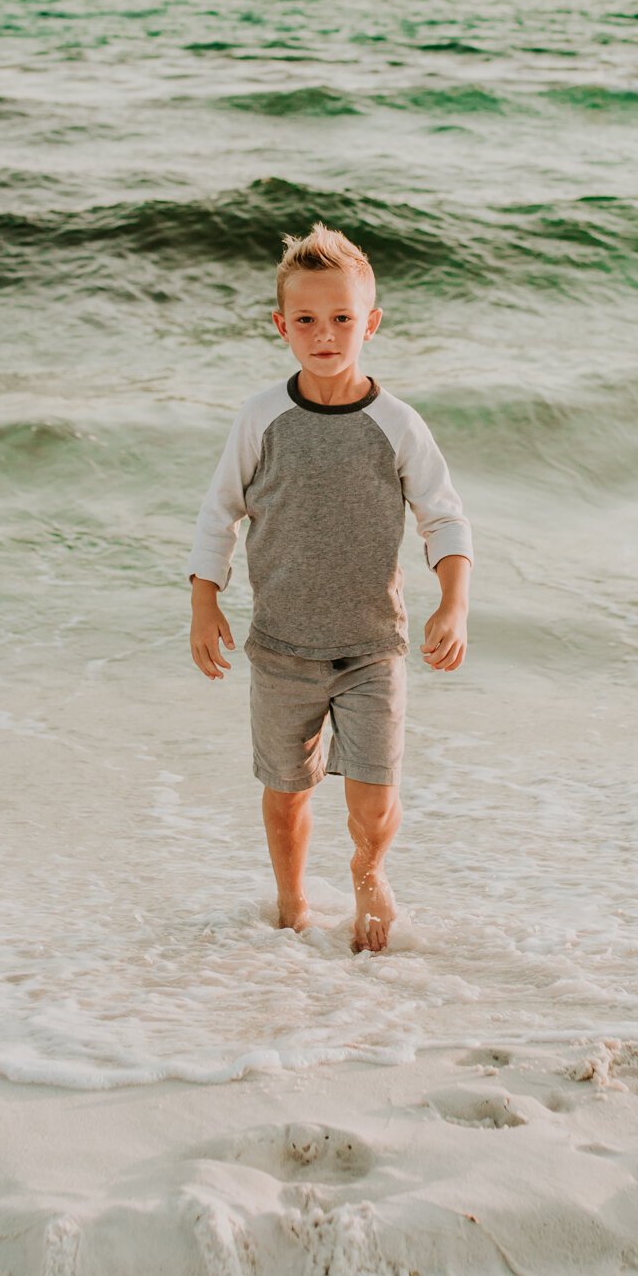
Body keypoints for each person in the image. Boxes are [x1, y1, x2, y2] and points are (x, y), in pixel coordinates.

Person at [186, 222, 472, 952]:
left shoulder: (397, 424)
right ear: (281, 327)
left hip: (373, 646)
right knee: (286, 795)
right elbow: (218, 514)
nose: (325, 334)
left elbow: (443, 518)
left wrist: (453, 603)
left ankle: (369, 870)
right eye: (307, 321)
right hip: (281, 648)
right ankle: (291, 903)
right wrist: (203, 601)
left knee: (374, 796)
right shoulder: (261, 418)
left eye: (342, 319)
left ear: (369, 323)